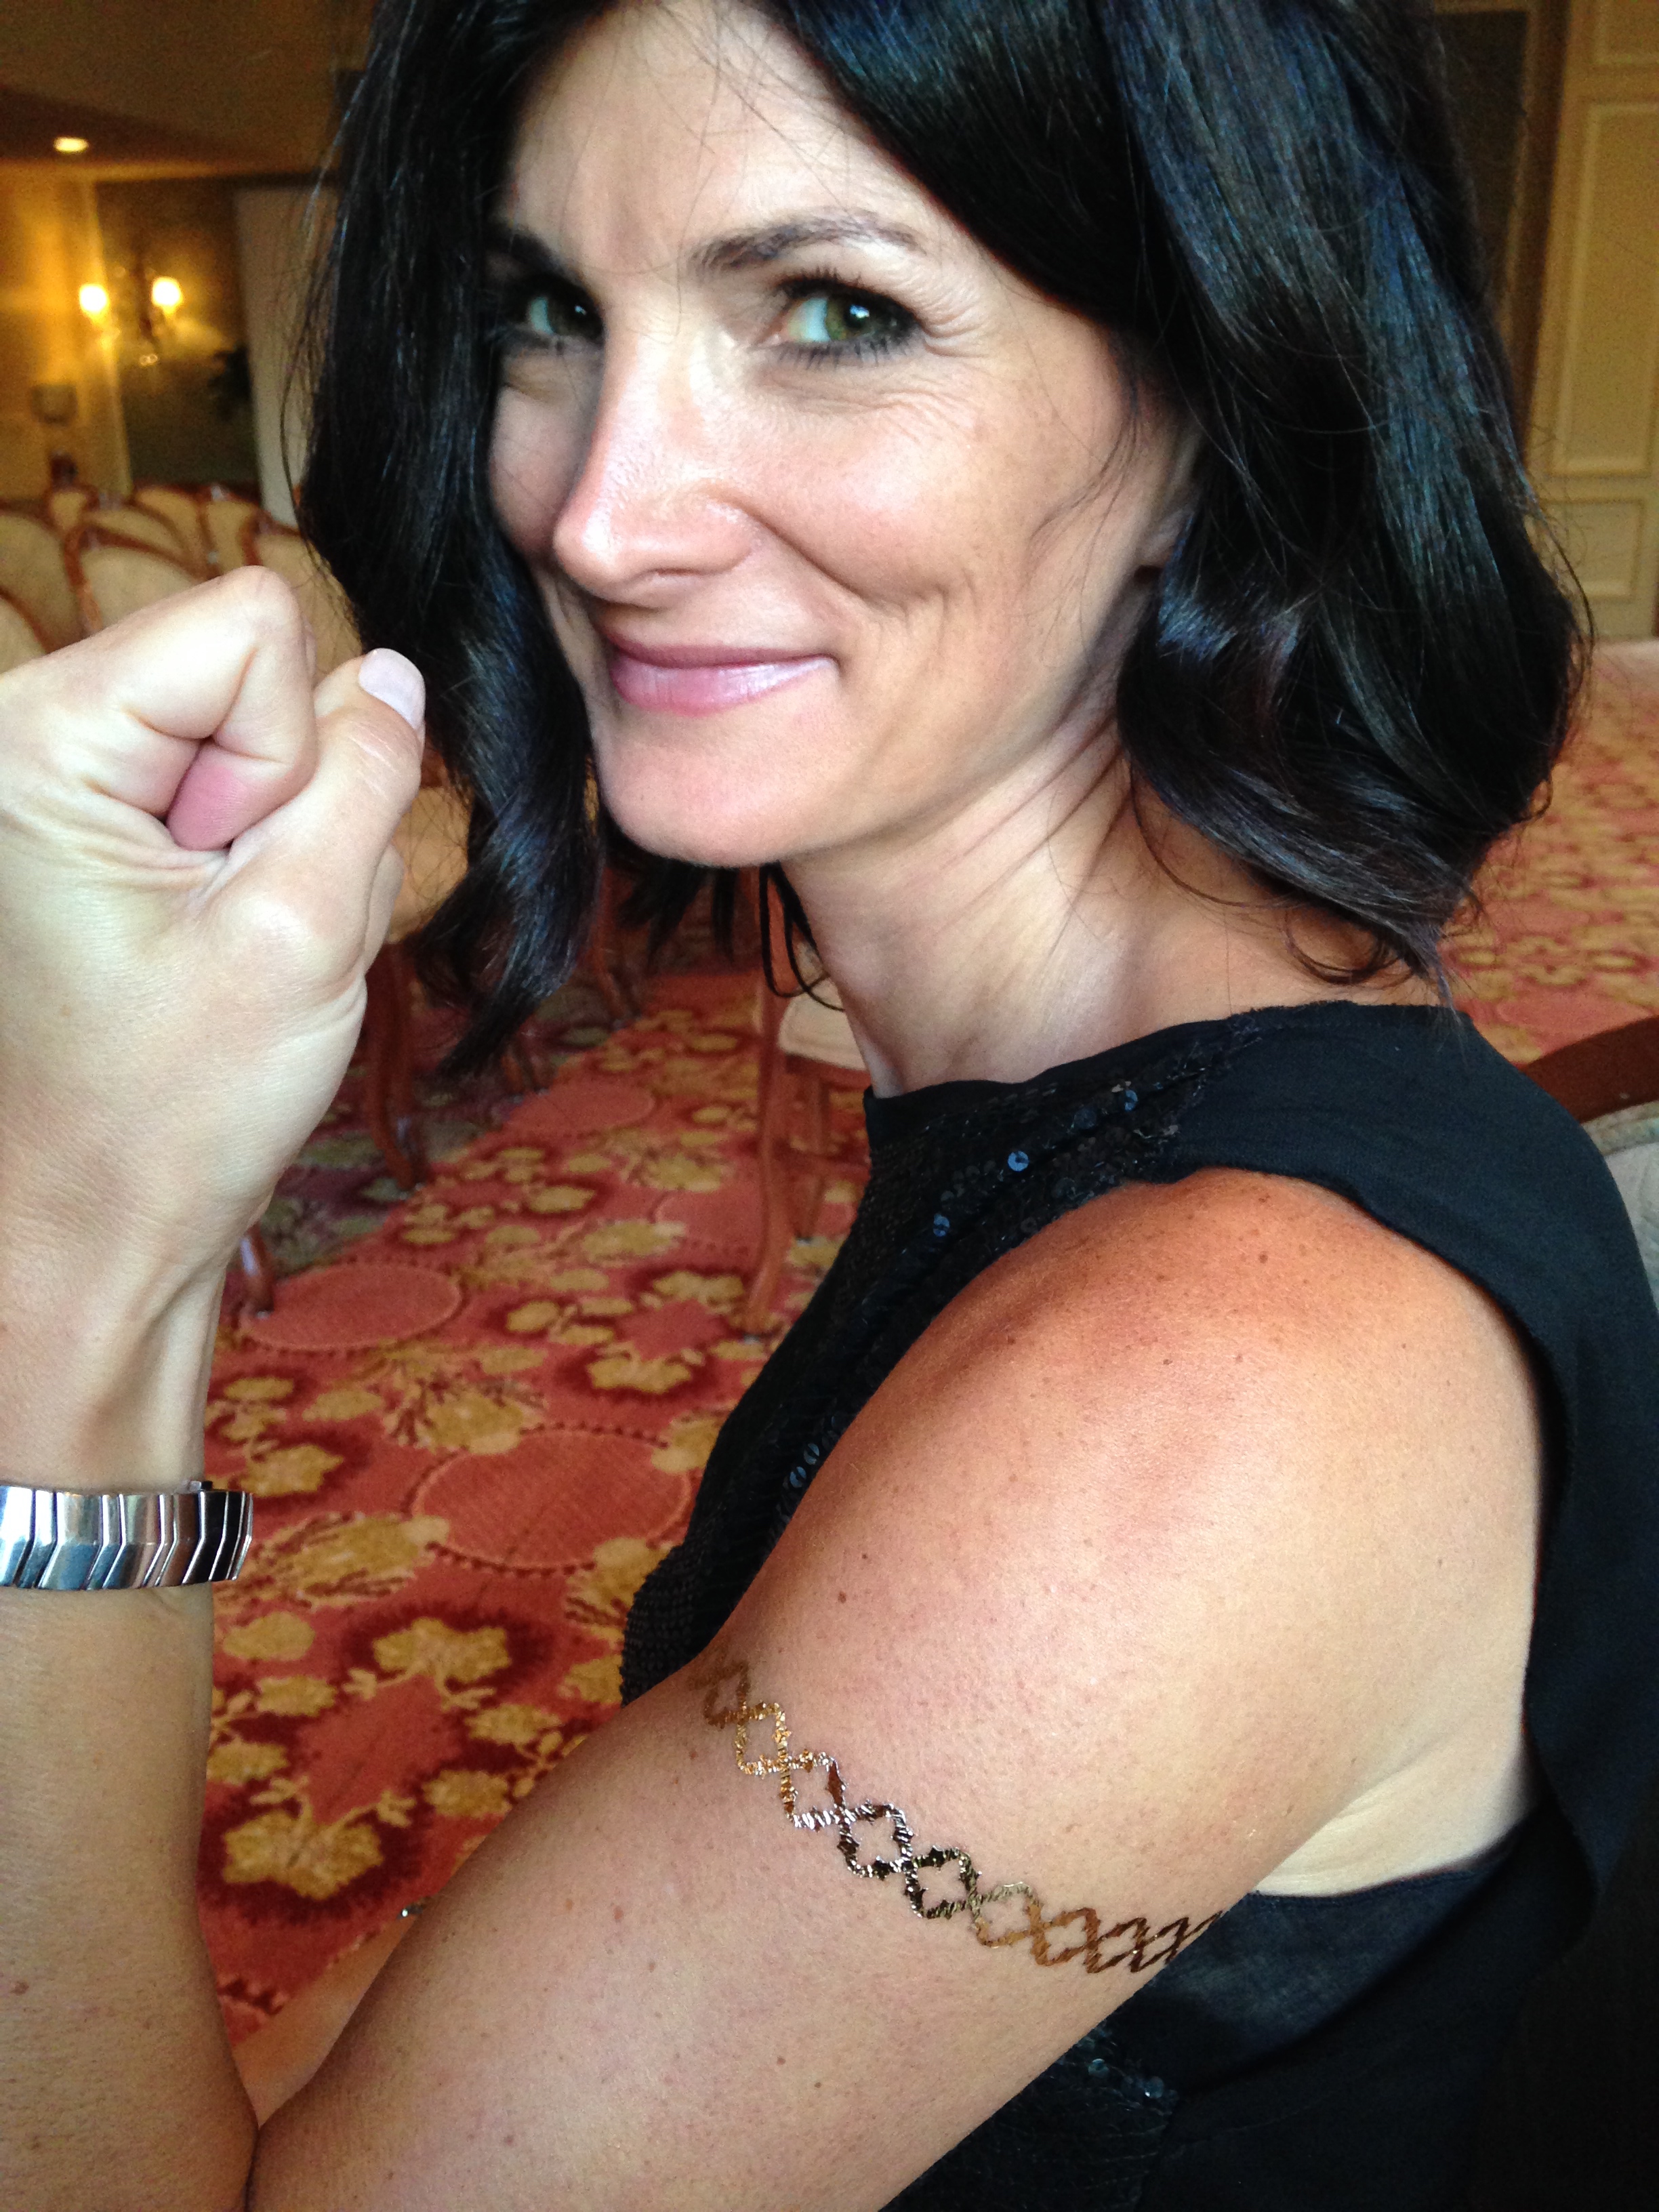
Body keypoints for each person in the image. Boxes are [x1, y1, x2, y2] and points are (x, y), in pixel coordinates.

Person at [1, 1, 1654, 2207]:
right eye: (547, 314)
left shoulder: (1213, 1385)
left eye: (837, 315)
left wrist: (61, 1262)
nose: (601, 515)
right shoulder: (1104, 1089)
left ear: (1208, 411)